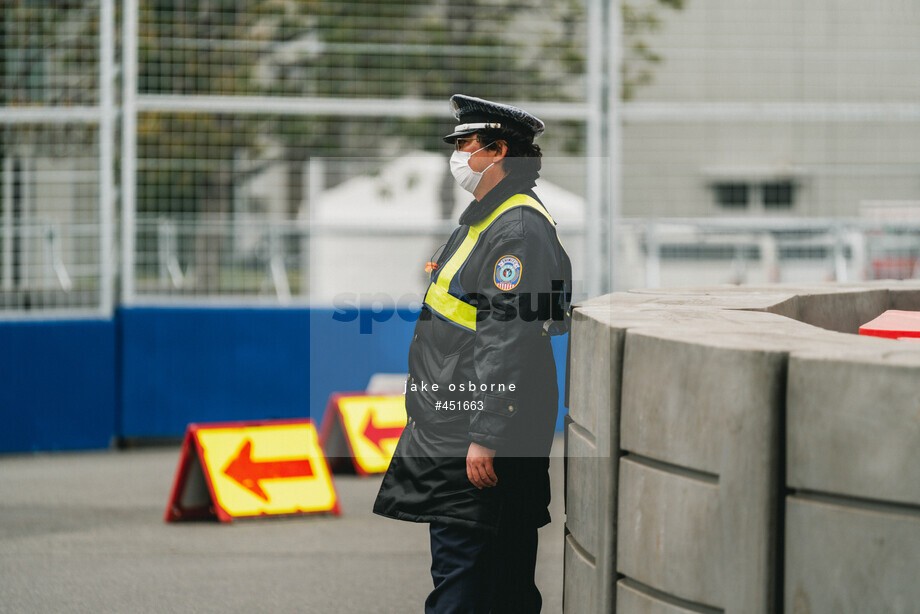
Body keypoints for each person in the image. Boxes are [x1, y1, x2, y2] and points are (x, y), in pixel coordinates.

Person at [373, 94, 572, 614]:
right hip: (463, 422)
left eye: (464, 144)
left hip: (475, 429)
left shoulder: (516, 228)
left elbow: (508, 335)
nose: (456, 155)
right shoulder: (491, 216)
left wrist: (488, 434)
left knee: (466, 576)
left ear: (498, 150)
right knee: (499, 578)